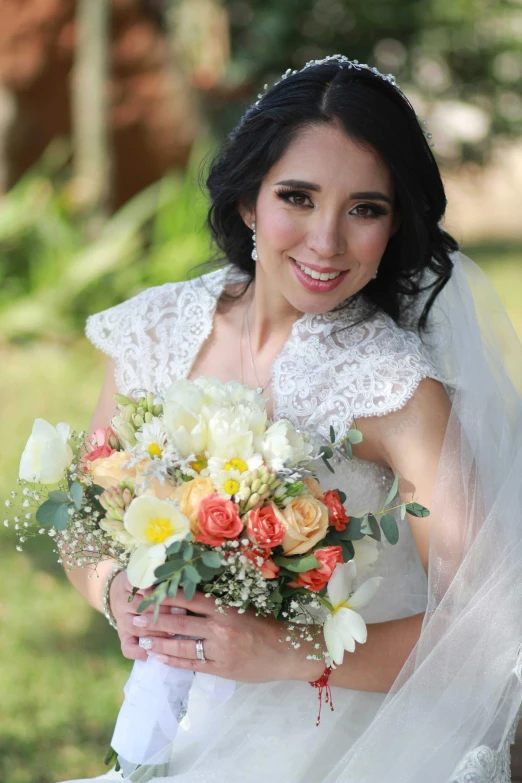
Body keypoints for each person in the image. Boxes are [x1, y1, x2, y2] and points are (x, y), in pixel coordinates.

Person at [61, 55, 522, 783]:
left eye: (365, 208)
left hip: (344, 737)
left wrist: (287, 648)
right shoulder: (152, 330)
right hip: (175, 721)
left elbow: (488, 632)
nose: (326, 241)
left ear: (396, 223)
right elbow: (84, 520)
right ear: (249, 200)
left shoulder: (397, 391)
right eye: (297, 197)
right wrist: (116, 594)